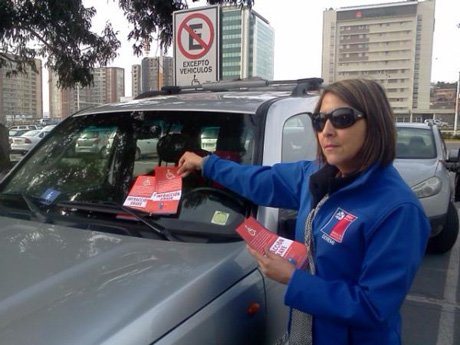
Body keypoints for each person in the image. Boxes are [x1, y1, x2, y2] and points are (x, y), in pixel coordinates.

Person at [177, 79, 430, 345]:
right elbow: (261, 180)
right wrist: (207, 164)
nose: (327, 130)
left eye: (342, 118)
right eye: (320, 121)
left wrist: (293, 279)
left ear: (375, 125)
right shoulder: (317, 175)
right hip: (304, 334)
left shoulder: (398, 211)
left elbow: (374, 307)